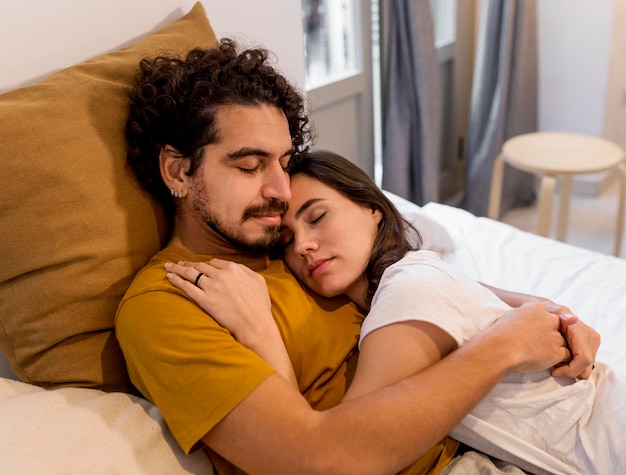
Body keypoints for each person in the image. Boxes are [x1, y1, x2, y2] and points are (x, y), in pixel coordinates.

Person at [116, 38, 597, 475]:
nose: (281, 190)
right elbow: (318, 461)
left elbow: (396, 273)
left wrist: (543, 313)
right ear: (178, 171)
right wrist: (505, 346)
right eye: (249, 165)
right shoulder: (168, 303)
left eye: (283, 163)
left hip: (494, 445)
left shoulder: (280, 241)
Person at [168, 150, 614, 474]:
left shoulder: (408, 289)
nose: (302, 244)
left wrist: (261, 332)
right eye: (286, 240)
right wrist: (554, 311)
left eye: (318, 217)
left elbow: (345, 456)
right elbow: (504, 299)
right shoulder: (414, 274)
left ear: (373, 208)